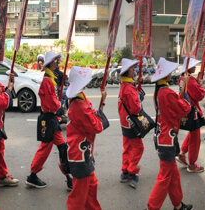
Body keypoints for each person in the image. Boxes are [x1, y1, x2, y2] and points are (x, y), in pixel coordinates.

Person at [146, 58, 194, 210]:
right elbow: (185, 108)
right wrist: (185, 91)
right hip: (167, 138)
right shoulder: (166, 92)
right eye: (169, 72)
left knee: (173, 175)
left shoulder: (159, 90)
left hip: (164, 136)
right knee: (165, 177)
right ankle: (152, 207)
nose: (171, 73)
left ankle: (178, 205)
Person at [26, 52, 73, 189]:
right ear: (50, 64)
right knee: (53, 147)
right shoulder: (47, 81)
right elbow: (52, 102)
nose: (56, 63)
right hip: (49, 118)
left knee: (56, 147)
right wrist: (60, 105)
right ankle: (34, 175)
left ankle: (67, 177)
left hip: (50, 118)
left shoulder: (50, 79)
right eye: (55, 61)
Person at [65, 66, 107, 210]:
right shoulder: (79, 105)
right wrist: (101, 107)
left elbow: (93, 116)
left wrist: (103, 100)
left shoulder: (79, 99)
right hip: (79, 155)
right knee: (79, 196)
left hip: (83, 153)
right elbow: (97, 126)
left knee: (91, 186)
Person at [116, 58, 144, 188]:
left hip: (124, 122)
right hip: (131, 123)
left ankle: (125, 171)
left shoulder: (124, 85)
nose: (134, 70)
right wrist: (139, 100)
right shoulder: (129, 88)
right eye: (133, 69)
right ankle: (132, 172)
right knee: (138, 148)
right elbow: (135, 108)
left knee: (127, 148)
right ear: (127, 72)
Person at [176, 58, 205, 173]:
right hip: (192, 111)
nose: (195, 67)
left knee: (192, 134)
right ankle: (192, 164)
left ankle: (182, 154)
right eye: (194, 65)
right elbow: (199, 95)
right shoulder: (190, 80)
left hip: (187, 109)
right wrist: (201, 85)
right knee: (195, 139)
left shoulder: (182, 78)